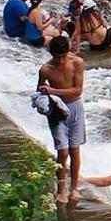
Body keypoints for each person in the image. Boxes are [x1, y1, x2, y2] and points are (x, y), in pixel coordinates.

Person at [37, 36, 86, 204]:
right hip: (57, 111)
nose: (61, 60)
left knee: (75, 149)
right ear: (52, 54)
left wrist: (53, 90)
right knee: (62, 152)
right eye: (57, 57)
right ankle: (61, 189)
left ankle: (74, 188)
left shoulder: (77, 63)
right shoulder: (46, 69)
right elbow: (39, 90)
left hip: (75, 108)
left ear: (69, 52)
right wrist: (43, 99)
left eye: (64, 56)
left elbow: (77, 91)